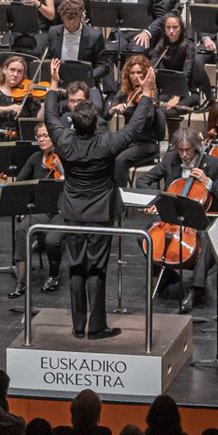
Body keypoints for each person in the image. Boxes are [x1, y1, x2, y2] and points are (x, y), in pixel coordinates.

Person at [44, 65, 159, 338]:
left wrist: (52, 83)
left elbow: (50, 117)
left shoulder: (64, 141)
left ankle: (78, 326)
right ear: (95, 124)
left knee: (75, 267)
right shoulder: (106, 143)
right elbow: (134, 127)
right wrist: (146, 92)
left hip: (72, 210)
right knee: (96, 267)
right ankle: (95, 327)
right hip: (99, 212)